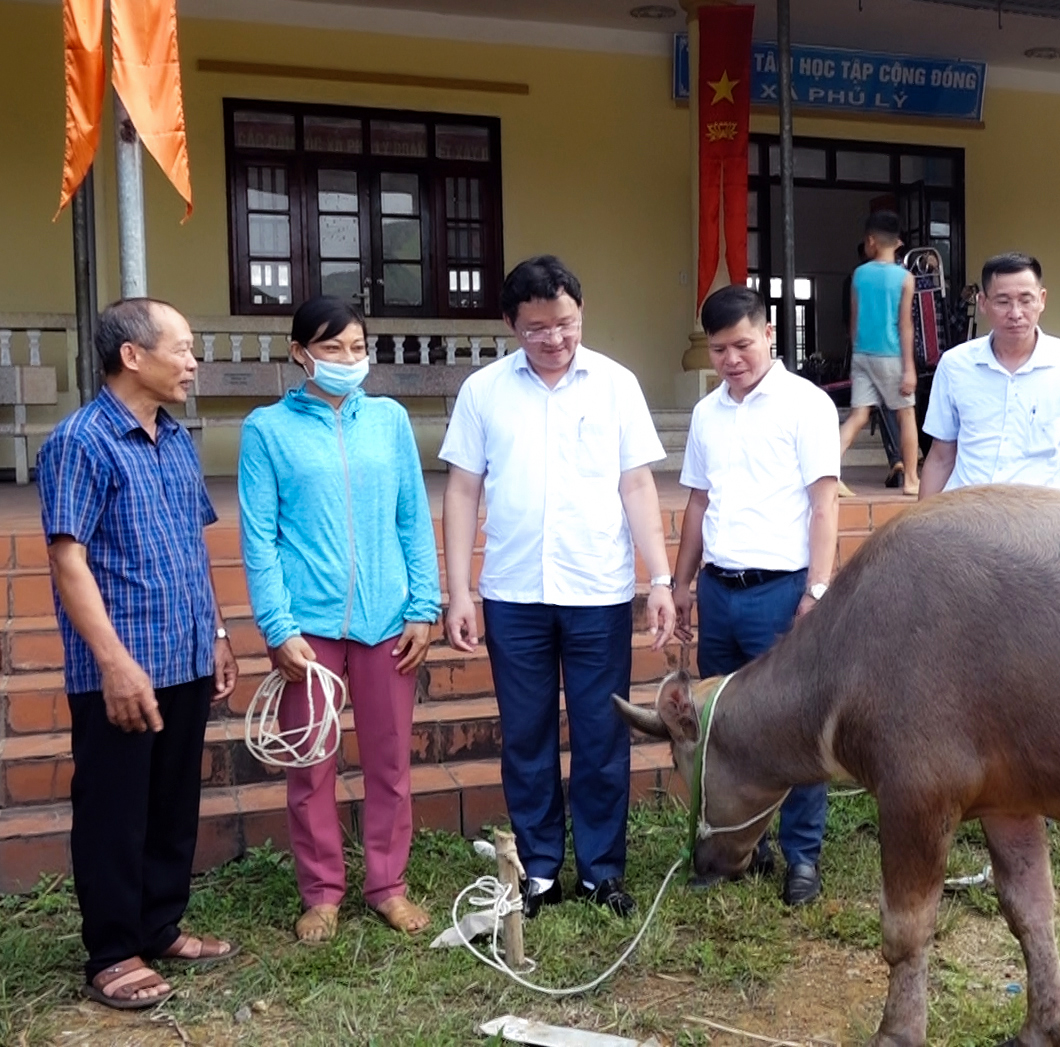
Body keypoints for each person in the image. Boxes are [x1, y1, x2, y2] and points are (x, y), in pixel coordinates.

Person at [440, 255, 676, 919]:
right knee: (526, 733)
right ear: (512, 324)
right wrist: (459, 590)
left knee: (603, 733)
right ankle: (540, 870)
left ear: (581, 313)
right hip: (513, 592)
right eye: (537, 327)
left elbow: (636, 484)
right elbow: (463, 488)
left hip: (597, 587)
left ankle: (602, 871)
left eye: (566, 323)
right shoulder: (485, 391)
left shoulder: (616, 385)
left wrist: (658, 578)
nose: (554, 338)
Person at [37, 298, 240, 1010]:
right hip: (121, 664)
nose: (193, 362)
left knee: (170, 802)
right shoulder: (81, 440)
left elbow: (192, 543)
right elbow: (68, 561)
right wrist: (114, 662)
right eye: (182, 348)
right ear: (133, 355)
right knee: (114, 808)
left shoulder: (176, 437)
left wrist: (215, 632)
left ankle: (159, 924)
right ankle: (113, 949)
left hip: (183, 650)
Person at [238, 296, 443, 943]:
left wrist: (424, 606)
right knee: (312, 766)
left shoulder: (389, 420)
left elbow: (413, 515)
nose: (349, 360)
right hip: (309, 630)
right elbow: (259, 537)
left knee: (389, 764)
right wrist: (278, 627)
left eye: (358, 347)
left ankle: (388, 884)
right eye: (333, 349)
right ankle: (322, 891)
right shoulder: (266, 430)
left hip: (389, 622)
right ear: (300, 353)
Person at [672, 284, 841, 907]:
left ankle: (802, 858)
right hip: (720, 590)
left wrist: (816, 592)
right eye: (719, 349)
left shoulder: (806, 405)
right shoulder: (706, 414)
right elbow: (697, 502)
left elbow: (824, 504)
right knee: (724, 729)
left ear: (769, 333)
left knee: (793, 728)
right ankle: (742, 849)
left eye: (742, 343)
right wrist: (682, 583)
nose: (732, 358)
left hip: (783, 591)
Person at [920, 253, 1060, 496]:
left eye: (1026, 300)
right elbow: (940, 457)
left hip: (1044, 518)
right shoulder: (955, 365)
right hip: (968, 517)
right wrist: (920, 525)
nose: (1015, 313)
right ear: (982, 302)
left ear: (1042, 300)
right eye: (1002, 301)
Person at [838, 212, 920, 496]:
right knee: (906, 414)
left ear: (871, 241)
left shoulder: (859, 275)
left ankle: (829, 473)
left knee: (858, 415)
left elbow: (854, 319)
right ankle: (911, 479)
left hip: (862, 354)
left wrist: (857, 350)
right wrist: (909, 368)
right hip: (891, 355)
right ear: (897, 243)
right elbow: (905, 325)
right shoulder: (905, 278)